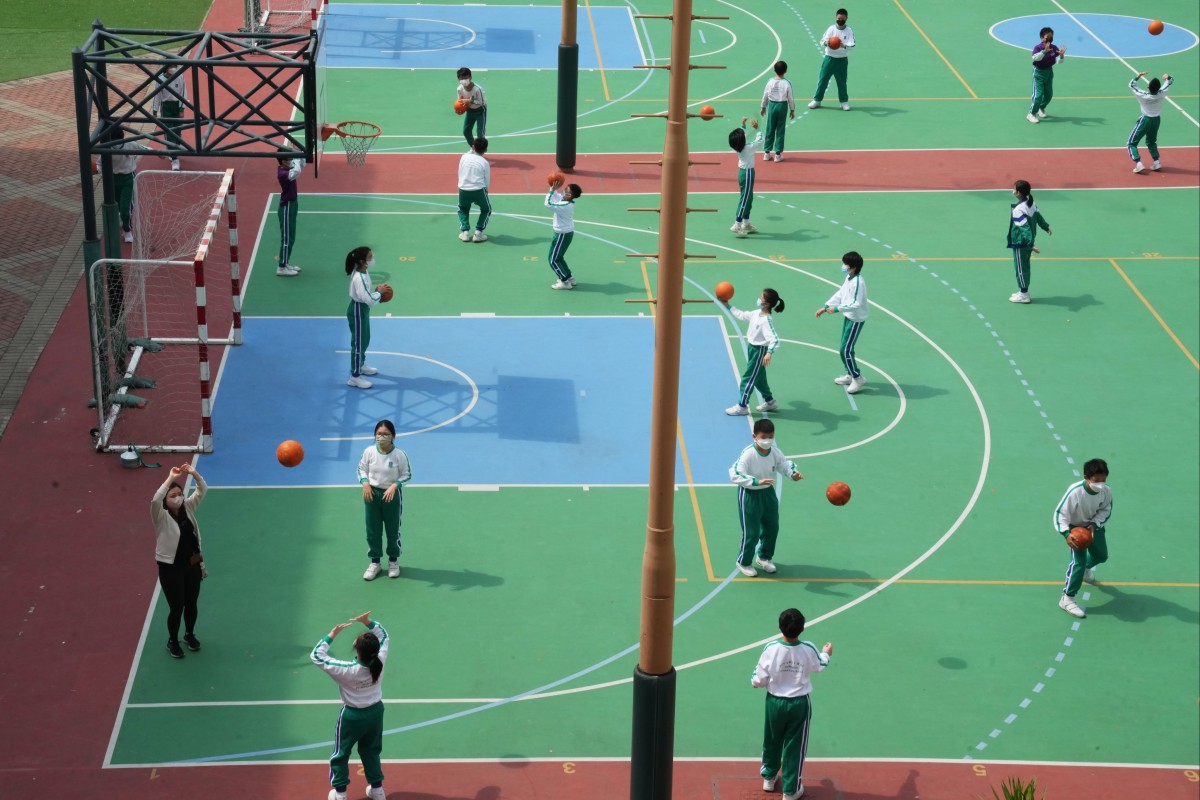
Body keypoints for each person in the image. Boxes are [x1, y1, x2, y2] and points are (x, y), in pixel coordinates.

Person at [751, 608, 832, 800]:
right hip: (799, 704)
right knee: (795, 746)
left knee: (772, 739)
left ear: (780, 626)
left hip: (774, 702)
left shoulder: (771, 648)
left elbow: (757, 680)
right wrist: (826, 653)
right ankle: (790, 790)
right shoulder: (808, 648)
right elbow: (819, 666)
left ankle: (769, 778)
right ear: (802, 628)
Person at [310, 612, 391, 800]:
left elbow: (317, 656)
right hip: (376, 712)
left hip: (352, 716)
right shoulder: (381, 659)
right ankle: (377, 790)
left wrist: (331, 635)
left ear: (356, 649)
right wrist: (368, 622)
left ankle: (340, 794)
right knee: (371, 750)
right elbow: (384, 635)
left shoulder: (346, 670)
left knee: (341, 754)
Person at [730, 419, 803, 576]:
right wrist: (756, 481)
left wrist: (793, 474)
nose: (767, 440)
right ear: (755, 436)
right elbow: (735, 473)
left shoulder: (775, 452)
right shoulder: (748, 454)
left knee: (772, 527)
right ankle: (744, 562)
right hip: (749, 494)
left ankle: (764, 557)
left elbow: (784, 465)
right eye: (764, 437)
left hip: (768, 493)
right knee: (752, 532)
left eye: (770, 436)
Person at [150, 463, 208, 659]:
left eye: (179, 494)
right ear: (167, 500)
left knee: (191, 604)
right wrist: (170, 479)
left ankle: (189, 634)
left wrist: (194, 473)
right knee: (177, 607)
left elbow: (202, 489)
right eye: (173, 495)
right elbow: (155, 500)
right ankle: (172, 641)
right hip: (171, 569)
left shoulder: (188, 508)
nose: (178, 498)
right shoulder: (160, 516)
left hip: (192, 565)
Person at [1054, 459, 1112, 619]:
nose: (1100, 484)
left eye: (1103, 480)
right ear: (1086, 477)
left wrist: (1095, 523)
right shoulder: (1075, 492)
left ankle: (1086, 570)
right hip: (1075, 530)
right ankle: (1067, 598)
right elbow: (1061, 514)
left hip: (1093, 526)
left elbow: (1105, 509)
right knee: (1077, 563)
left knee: (1101, 556)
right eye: (1096, 480)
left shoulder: (1106, 491)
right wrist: (1067, 534)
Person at [358, 419, 411, 580]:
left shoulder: (399, 455)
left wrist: (394, 486)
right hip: (371, 495)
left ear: (393, 436)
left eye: (385, 434)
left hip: (391, 496)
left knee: (392, 530)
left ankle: (393, 561)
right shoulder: (369, 452)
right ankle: (375, 563)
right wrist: (365, 483)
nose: (381, 437)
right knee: (372, 531)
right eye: (378, 434)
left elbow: (407, 474)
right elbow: (361, 469)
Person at [815, 251, 869, 394]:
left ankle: (858, 378)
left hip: (855, 319)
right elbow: (840, 293)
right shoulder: (849, 278)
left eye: (846, 264)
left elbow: (856, 303)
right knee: (846, 349)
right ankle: (850, 374)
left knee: (845, 350)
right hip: (849, 316)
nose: (843, 266)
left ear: (853, 267)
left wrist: (837, 309)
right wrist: (826, 307)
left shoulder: (858, 282)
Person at [724, 287, 784, 415]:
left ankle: (742, 406)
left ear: (766, 303)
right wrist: (728, 306)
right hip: (752, 348)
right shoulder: (757, 313)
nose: (758, 298)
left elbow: (775, 339)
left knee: (748, 378)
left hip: (759, 351)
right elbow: (742, 315)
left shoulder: (767, 320)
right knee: (759, 378)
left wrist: (769, 353)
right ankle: (770, 401)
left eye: (761, 297)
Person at [110, 129, 167, 244]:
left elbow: (143, 148)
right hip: (112, 179)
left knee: (126, 209)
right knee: (116, 207)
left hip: (128, 178)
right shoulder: (107, 147)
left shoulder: (130, 144)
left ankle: (127, 230)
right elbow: (100, 164)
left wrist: (157, 153)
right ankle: (123, 222)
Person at [345, 246, 390, 389]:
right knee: (358, 343)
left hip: (362, 309)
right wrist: (380, 293)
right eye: (370, 257)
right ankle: (355, 376)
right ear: (362, 261)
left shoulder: (363, 271)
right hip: (358, 310)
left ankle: (361, 364)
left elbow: (367, 297)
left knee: (364, 339)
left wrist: (376, 293)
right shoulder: (360, 278)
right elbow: (368, 299)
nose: (373, 258)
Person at [1006, 179, 1051, 304]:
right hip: (1026, 242)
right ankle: (1022, 291)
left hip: (1021, 243)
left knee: (1020, 268)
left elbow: (1024, 228)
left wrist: (1031, 244)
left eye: (1014, 189)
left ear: (1018, 193)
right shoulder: (1031, 203)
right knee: (1025, 267)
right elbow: (1038, 217)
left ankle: (1024, 295)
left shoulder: (1018, 209)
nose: (1013, 191)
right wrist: (1046, 227)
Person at [808, 8, 856, 111]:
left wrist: (844, 45)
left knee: (842, 82)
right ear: (836, 18)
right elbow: (822, 41)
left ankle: (844, 102)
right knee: (823, 79)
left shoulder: (849, 31)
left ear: (846, 18)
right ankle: (817, 100)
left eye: (842, 19)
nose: (840, 20)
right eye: (838, 18)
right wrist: (827, 43)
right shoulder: (831, 29)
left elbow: (852, 44)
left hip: (842, 60)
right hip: (829, 58)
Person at [1127, 72, 1174, 173]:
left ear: (1148, 87)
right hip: (1156, 120)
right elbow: (1170, 81)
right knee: (1151, 142)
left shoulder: (1143, 95)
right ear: (1158, 88)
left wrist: (1138, 76)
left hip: (1145, 120)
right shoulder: (1162, 93)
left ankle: (1139, 163)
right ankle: (1157, 162)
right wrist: (1167, 77)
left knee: (1131, 143)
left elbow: (1131, 84)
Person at [545, 178, 583, 290]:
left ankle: (565, 282)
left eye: (566, 191)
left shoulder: (565, 206)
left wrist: (551, 191)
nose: (563, 192)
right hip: (565, 234)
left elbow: (548, 204)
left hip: (562, 235)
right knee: (559, 257)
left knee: (553, 260)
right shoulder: (566, 202)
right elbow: (557, 199)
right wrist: (555, 190)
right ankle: (569, 278)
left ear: (570, 195)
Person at [729, 117, 762, 237]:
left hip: (746, 173)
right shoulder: (748, 148)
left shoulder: (740, 147)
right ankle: (737, 225)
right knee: (744, 200)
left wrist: (743, 124)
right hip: (747, 174)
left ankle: (746, 223)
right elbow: (760, 140)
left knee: (749, 198)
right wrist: (757, 129)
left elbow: (742, 136)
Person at [151, 64, 187, 171]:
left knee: (178, 131)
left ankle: (174, 149)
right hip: (166, 106)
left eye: (175, 66)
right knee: (169, 131)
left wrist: (182, 108)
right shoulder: (160, 79)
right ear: (166, 68)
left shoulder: (180, 76)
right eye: (171, 66)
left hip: (177, 106)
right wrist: (154, 111)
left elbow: (183, 92)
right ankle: (174, 158)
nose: (173, 68)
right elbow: (157, 95)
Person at [1027, 27, 1066, 124]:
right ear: (1041, 37)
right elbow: (1035, 58)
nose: (1050, 38)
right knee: (1038, 95)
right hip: (1039, 72)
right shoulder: (1038, 47)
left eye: (1051, 36)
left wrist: (1061, 55)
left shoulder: (1054, 48)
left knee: (1049, 95)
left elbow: (1058, 62)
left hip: (1049, 72)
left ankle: (1041, 108)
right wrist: (1044, 51)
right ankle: (1031, 114)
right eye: (1047, 36)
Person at [457, 136, 492, 242]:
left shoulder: (463, 157)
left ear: (473, 147)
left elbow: (460, 172)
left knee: (463, 209)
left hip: (463, 188)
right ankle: (478, 233)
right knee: (486, 209)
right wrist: (486, 190)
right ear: (485, 150)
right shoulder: (484, 162)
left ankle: (465, 233)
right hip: (479, 189)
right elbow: (487, 179)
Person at [760, 60, 795, 162]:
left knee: (770, 128)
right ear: (786, 71)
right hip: (782, 106)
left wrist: (763, 107)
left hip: (772, 105)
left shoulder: (770, 82)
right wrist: (792, 110)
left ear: (774, 70)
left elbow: (765, 95)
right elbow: (790, 98)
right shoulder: (787, 83)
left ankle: (766, 153)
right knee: (780, 129)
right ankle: (778, 155)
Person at [276, 153, 303, 276]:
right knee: (286, 238)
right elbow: (297, 171)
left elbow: (300, 166)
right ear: (282, 161)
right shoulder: (283, 173)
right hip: (286, 207)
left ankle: (286, 262)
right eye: (289, 159)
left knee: (291, 236)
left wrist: (302, 155)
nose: (291, 160)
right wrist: (297, 157)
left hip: (293, 205)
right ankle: (281, 267)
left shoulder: (288, 168)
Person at [456, 67, 487, 150]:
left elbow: (482, 102)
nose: (464, 80)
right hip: (470, 111)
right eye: (461, 78)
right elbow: (460, 102)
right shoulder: (459, 89)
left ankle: (481, 151)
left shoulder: (477, 89)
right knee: (466, 131)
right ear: (458, 79)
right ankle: (474, 148)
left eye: (465, 78)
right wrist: (459, 110)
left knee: (480, 133)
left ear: (470, 77)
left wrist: (469, 100)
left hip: (480, 111)